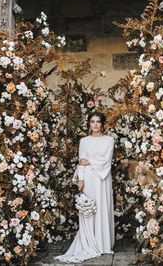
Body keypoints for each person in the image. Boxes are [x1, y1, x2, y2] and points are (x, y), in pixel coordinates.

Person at [55, 111, 115, 263]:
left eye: (98, 121)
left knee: (102, 208)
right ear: (89, 124)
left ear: (102, 124)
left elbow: (106, 160)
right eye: (92, 121)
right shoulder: (84, 141)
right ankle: (89, 241)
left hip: (102, 178)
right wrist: (80, 179)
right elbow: (81, 161)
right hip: (88, 178)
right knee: (89, 210)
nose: (95, 124)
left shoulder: (109, 140)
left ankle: (103, 244)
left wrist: (89, 161)